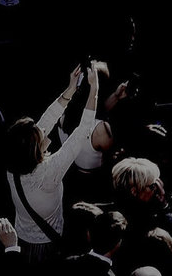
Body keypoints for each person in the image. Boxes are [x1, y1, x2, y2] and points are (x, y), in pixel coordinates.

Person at [6, 62, 104, 262]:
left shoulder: (12, 165)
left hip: (20, 238)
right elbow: (83, 130)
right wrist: (94, 89)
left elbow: (46, 120)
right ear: (34, 149)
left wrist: (70, 90)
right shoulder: (49, 173)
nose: (42, 131)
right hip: (47, 246)